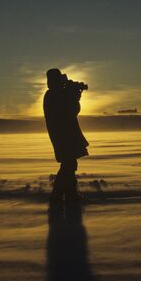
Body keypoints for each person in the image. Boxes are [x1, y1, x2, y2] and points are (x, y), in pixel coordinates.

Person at [44, 68, 89, 203]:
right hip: (64, 137)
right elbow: (71, 111)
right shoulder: (54, 95)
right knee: (68, 165)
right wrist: (74, 96)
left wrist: (72, 94)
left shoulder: (54, 94)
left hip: (64, 136)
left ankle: (70, 195)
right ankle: (58, 195)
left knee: (69, 165)